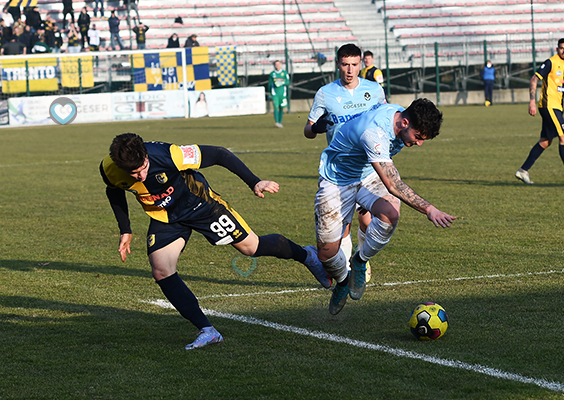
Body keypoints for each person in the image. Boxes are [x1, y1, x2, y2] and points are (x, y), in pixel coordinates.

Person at [100, 133, 329, 349]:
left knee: (252, 247)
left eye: (143, 169)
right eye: (133, 174)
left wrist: (254, 182)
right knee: (161, 270)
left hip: (202, 206)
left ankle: (306, 255)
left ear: (146, 156)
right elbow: (115, 190)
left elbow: (219, 154)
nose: (140, 176)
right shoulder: (110, 169)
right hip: (165, 216)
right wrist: (126, 230)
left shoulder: (170, 154)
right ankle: (207, 330)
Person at [313, 99, 455, 315]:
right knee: (326, 253)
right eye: (418, 137)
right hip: (337, 180)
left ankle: (360, 261)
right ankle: (342, 281)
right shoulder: (374, 134)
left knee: (390, 214)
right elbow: (393, 184)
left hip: (367, 174)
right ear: (405, 122)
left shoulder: (398, 113)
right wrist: (429, 209)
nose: (419, 144)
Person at [304, 43, 385, 283]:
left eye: (354, 64)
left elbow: (384, 121)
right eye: (345, 64)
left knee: (369, 218)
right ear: (338, 65)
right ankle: (346, 275)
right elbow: (308, 130)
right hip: (338, 173)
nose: (350, 70)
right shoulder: (325, 93)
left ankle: (362, 260)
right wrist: (315, 128)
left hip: (369, 169)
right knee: (342, 226)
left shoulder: (375, 90)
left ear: (361, 64)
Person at [515, 38, 564, 185]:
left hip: (557, 107)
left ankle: (523, 171)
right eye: (561, 48)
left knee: (545, 141)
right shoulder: (551, 62)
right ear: (557, 49)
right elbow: (533, 79)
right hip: (549, 106)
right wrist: (532, 101)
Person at [268, 60, 290, 128]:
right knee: (275, 107)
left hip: (282, 94)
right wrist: (269, 93)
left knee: (281, 108)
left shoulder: (284, 73)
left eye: (278, 64)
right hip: (275, 93)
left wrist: (282, 83)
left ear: (280, 65)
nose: (277, 66)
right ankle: (277, 122)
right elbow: (269, 84)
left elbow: (288, 82)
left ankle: (280, 122)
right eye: (276, 64)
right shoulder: (272, 74)